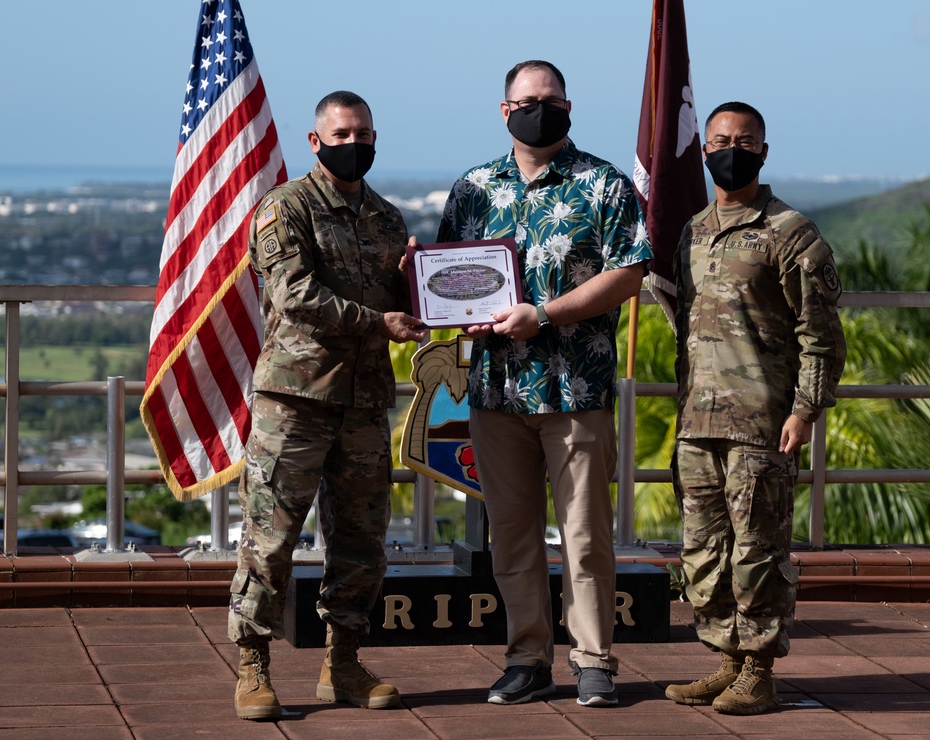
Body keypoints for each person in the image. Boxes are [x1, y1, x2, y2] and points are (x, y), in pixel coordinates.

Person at [436, 60, 652, 708]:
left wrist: (546, 315)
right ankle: (527, 659)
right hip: (496, 392)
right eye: (527, 100)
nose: (539, 108)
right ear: (505, 111)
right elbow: (447, 275)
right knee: (513, 535)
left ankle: (594, 662)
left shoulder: (604, 185)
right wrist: (455, 318)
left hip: (574, 390)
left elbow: (630, 273)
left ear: (568, 107)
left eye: (550, 99)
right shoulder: (472, 188)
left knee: (585, 537)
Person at [228, 90, 428, 721]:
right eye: (341, 135)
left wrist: (424, 282)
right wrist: (381, 321)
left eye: (363, 135)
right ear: (315, 142)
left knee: (362, 541)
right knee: (271, 537)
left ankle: (342, 663)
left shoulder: (388, 218)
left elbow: (404, 302)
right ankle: (253, 664)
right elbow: (296, 296)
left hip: (364, 401)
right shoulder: (284, 208)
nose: (353, 145)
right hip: (296, 400)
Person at [665, 101, 847, 715]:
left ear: (763, 151)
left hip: (761, 422)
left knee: (758, 551)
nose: (730, 149)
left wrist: (805, 411)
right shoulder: (691, 230)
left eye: (744, 140)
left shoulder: (792, 233)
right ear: (705, 149)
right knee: (704, 551)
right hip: (697, 422)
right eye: (719, 140)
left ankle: (760, 670)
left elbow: (820, 337)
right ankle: (726, 661)